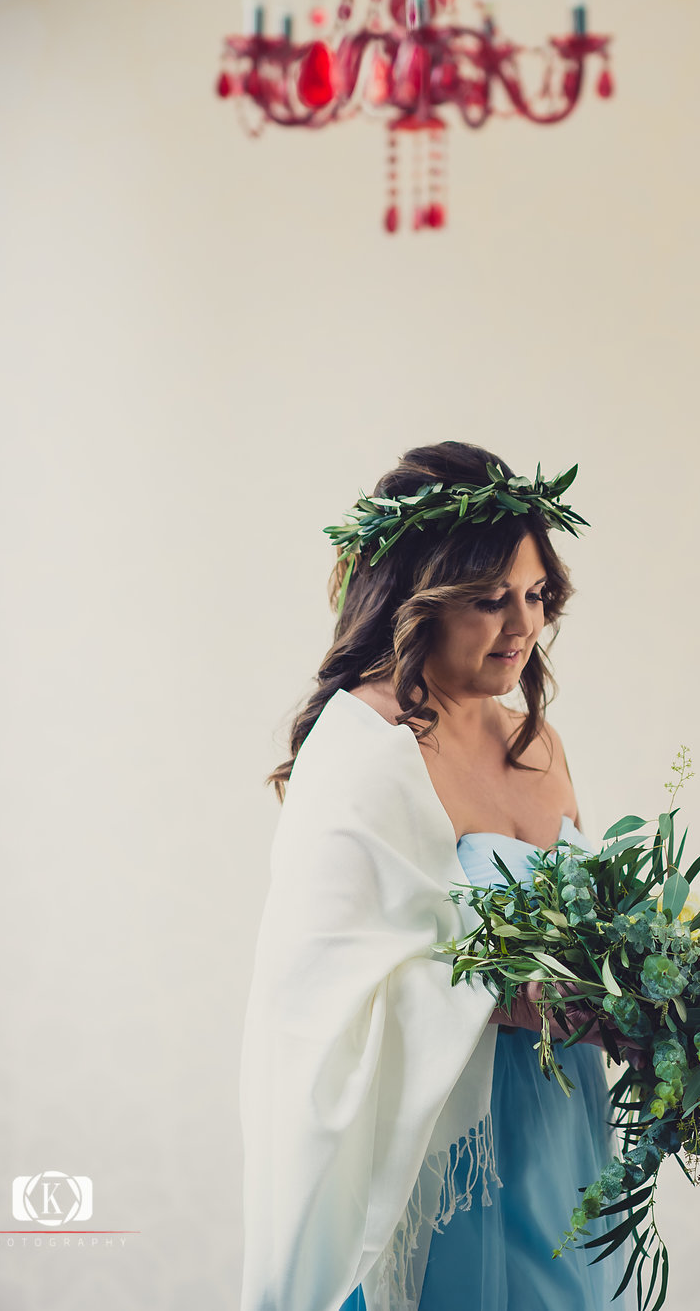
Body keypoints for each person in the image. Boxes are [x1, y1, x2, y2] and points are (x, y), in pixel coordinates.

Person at [239, 441, 633, 1311]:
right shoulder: (363, 746)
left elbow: (596, 936)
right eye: (490, 600)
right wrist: (520, 1002)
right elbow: (320, 993)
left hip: (559, 1124)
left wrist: (653, 1002)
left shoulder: (538, 743)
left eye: (536, 596)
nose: (522, 626)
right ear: (417, 599)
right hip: (440, 1151)